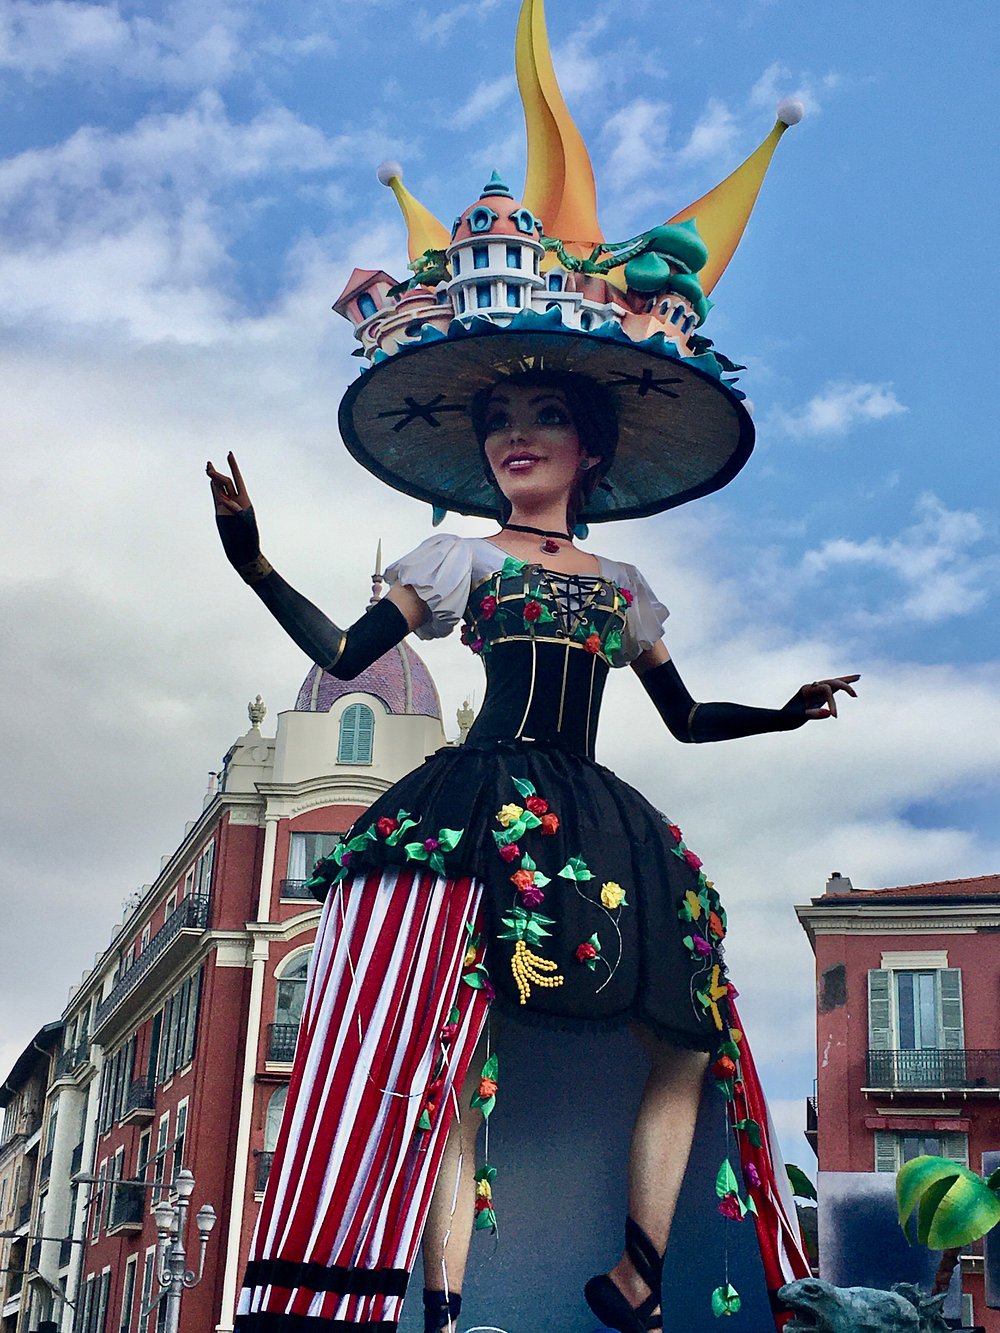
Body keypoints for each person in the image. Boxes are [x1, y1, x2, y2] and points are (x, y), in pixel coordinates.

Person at [209, 370, 857, 1333]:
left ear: (587, 451)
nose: (518, 436)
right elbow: (346, 650)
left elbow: (682, 717)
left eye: (545, 417)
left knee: (686, 1033)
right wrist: (255, 565)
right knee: (454, 1051)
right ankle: (444, 1308)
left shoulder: (625, 590)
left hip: (595, 820)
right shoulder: (458, 561)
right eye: (499, 422)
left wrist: (781, 714)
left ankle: (638, 1277)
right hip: (482, 797)